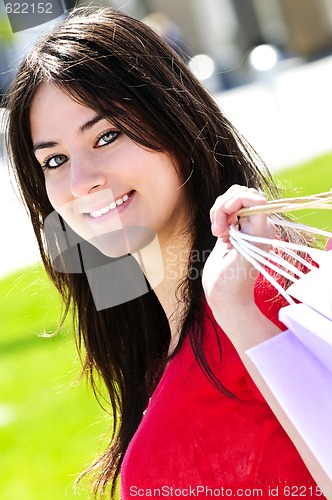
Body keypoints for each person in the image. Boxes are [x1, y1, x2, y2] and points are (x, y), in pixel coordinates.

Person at [4, 7, 330, 499]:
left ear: (175, 121)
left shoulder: (285, 303)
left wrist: (240, 315)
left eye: (107, 136)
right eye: (54, 159)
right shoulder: (154, 344)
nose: (80, 182)